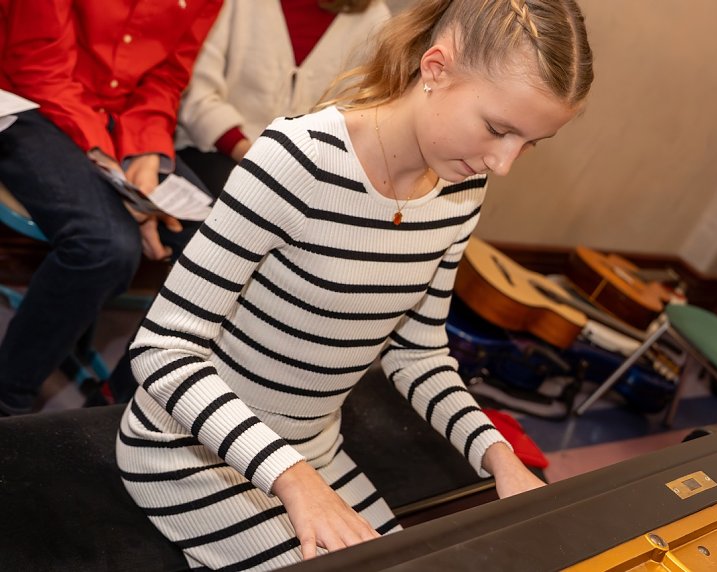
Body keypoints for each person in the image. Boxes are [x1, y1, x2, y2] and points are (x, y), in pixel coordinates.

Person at [116, 0, 594, 569]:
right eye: (497, 129)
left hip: (313, 453)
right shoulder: (297, 160)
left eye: (529, 143)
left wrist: (500, 456)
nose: (504, 163)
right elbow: (162, 349)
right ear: (435, 68)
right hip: (192, 453)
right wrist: (291, 478)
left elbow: (419, 355)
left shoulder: (460, 192)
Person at [0, 0, 223, 416]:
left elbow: (167, 77)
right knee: (105, 246)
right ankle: (7, 398)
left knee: (219, 251)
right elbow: (38, 64)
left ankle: (124, 402)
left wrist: (146, 157)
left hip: (122, 119)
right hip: (31, 102)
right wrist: (109, 166)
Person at [174, 0, 391, 195]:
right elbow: (196, 92)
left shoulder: (374, 19)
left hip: (317, 172)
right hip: (220, 151)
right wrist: (250, 154)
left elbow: (363, 115)